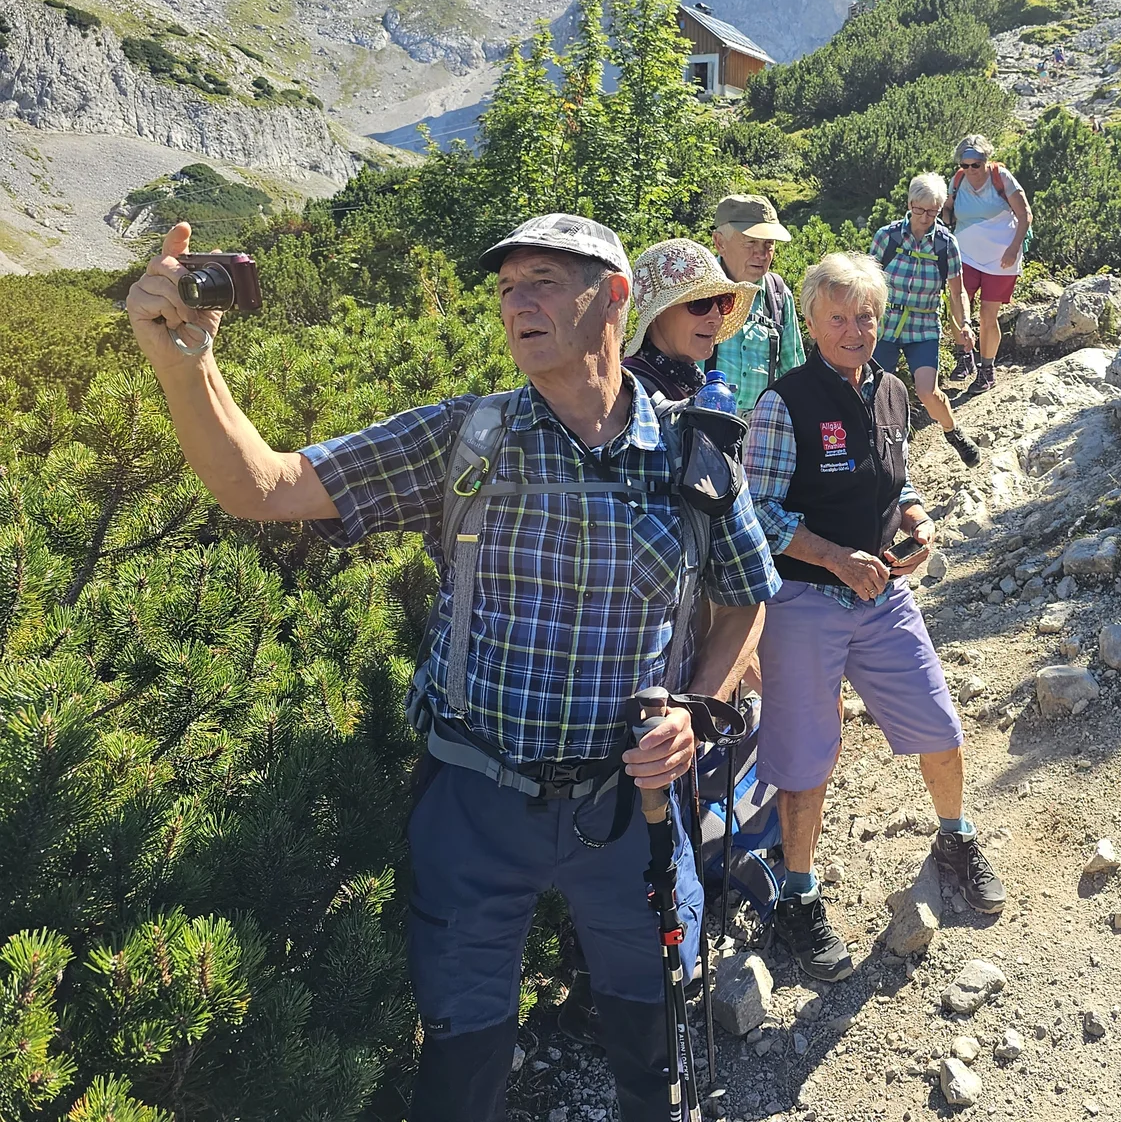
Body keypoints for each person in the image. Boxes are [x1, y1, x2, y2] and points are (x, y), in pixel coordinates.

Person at [124, 214, 781, 1122]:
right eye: (507, 288)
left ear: (615, 297)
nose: (518, 304)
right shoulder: (463, 437)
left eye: (544, 282)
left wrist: (696, 709)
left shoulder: (692, 453)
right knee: (461, 1069)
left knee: (652, 1051)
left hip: (634, 810)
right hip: (475, 804)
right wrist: (186, 361)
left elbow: (746, 596)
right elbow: (260, 487)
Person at [744, 253, 1006, 982]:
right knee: (805, 760)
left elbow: (899, 482)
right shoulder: (783, 403)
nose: (854, 331)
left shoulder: (891, 390)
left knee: (941, 727)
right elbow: (756, 513)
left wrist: (918, 520)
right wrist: (833, 557)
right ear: (812, 322)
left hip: (882, 595)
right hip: (805, 600)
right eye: (838, 318)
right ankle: (799, 897)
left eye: (865, 317)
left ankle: (955, 839)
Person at [870, 173, 981, 466]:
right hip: (885, 324)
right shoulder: (887, 237)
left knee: (927, 391)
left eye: (932, 212)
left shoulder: (946, 244)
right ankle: (883, 451)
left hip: (923, 326)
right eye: (919, 209)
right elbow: (867, 282)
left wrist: (965, 324)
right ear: (909, 204)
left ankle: (953, 431)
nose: (924, 217)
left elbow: (957, 292)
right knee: (874, 390)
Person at [624, 238, 760, 403]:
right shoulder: (630, 393)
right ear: (657, 313)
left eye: (723, 302)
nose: (716, 317)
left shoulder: (688, 381)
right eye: (699, 303)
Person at [942, 135, 1028, 396]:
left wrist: (1014, 248)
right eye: (965, 165)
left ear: (985, 161)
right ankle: (965, 355)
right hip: (965, 256)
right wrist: (944, 220)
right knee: (957, 305)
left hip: (1001, 259)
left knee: (987, 315)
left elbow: (1025, 214)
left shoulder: (1001, 177)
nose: (970, 170)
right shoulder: (957, 180)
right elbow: (947, 208)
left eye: (975, 165)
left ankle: (987, 370)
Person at [709, 194, 806, 411]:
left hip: (761, 426)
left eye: (768, 244)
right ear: (719, 243)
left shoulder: (778, 294)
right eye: (751, 242)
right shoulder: (696, 290)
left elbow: (793, 373)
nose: (761, 254)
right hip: (702, 423)